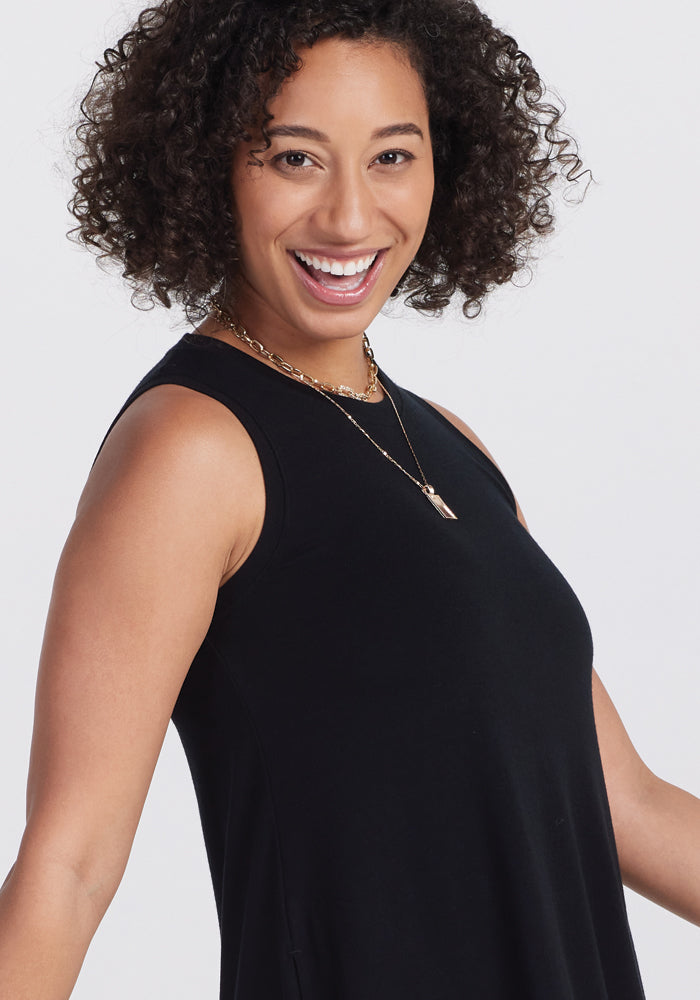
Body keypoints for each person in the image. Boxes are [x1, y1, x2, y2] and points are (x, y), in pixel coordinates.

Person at [0, 0, 698, 997]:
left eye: (390, 157)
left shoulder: (452, 447)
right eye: (294, 158)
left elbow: (623, 803)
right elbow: (66, 868)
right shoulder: (192, 447)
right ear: (208, 168)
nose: (348, 216)